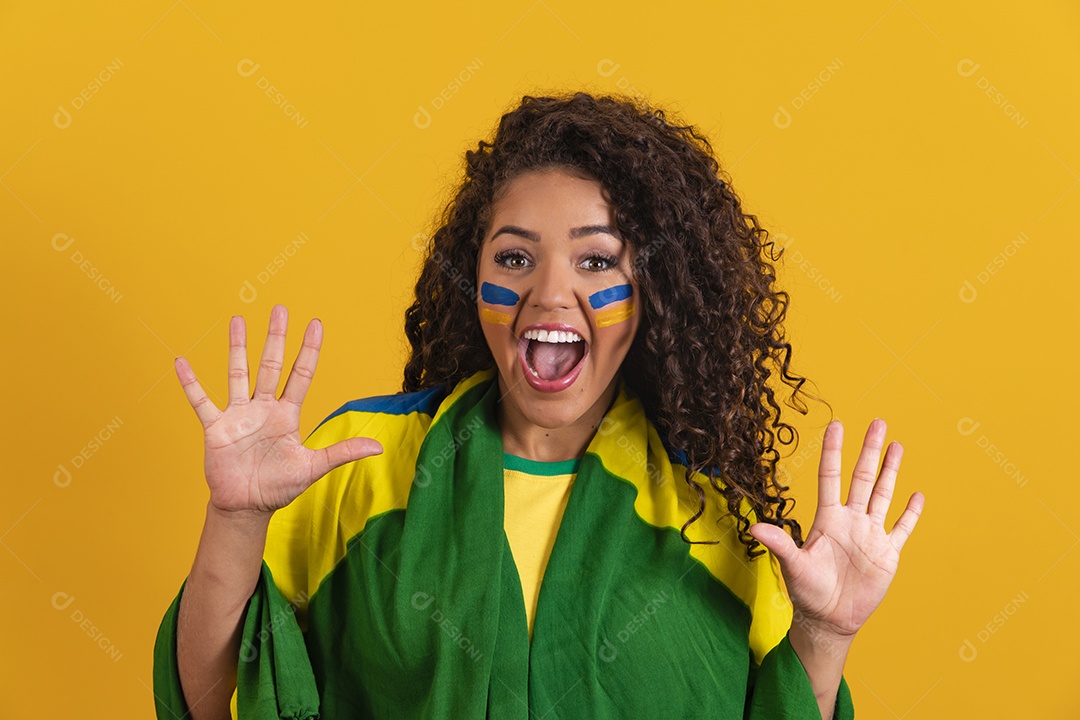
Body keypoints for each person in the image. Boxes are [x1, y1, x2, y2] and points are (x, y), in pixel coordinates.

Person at [153, 92, 924, 719]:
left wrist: (824, 634)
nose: (550, 294)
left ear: (653, 291)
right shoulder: (359, 463)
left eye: (596, 260)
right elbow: (213, 699)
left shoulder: (708, 518)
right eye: (515, 257)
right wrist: (235, 517)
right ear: (473, 275)